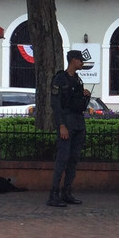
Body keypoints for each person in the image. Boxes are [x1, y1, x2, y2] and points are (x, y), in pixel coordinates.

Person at [47, 49, 91, 207]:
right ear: (73, 60)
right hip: (66, 122)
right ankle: (53, 194)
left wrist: (86, 96)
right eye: (80, 60)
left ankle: (67, 192)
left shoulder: (78, 80)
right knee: (62, 159)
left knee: (73, 160)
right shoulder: (59, 79)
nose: (82, 63)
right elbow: (56, 105)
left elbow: (80, 105)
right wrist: (61, 125)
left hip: (78, 122)